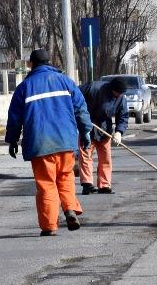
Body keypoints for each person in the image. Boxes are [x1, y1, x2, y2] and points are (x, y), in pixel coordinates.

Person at [6, 49, 92, 235]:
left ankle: (49, 226)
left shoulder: (25, 87)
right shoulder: (65, 82)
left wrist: (12, 140)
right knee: (65, 177)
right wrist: (86, 132)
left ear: (31, 64)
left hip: (40, 143)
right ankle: (69, 209)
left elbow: (14, 118)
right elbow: (81, 109)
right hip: (65, 141)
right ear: (49, 62)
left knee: (46, 184)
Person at [79, 76, 128, 194]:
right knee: (86, 155)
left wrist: (119, 132)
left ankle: (104, 185)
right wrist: (81, 117)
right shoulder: (94, 88)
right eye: (117, 93)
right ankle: (87, 184)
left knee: (105, 157)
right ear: (112, 89)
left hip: (104, 128)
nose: (118, 95)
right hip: (87, 125)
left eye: (120, 94)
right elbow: (76, 98)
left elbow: (123, 116)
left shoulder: (121, 98)